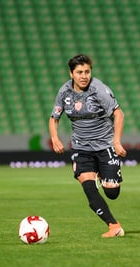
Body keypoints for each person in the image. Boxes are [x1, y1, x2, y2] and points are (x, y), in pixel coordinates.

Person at [49, 54, 127, 238]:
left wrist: (116, 141)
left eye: (87, 72)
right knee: (88, 187)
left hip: (104, 145)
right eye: (79, 72)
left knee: (112, 193)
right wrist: (55, 138)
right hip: (81, 147)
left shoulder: (99, 89)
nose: (84, 76)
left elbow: (119, 114)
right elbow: (54, 118)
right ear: (71, 74)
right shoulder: (64, 92)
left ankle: (103, 174)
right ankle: (114, 226)